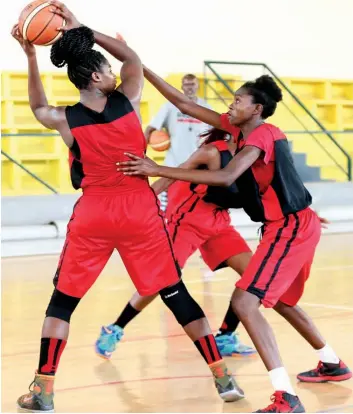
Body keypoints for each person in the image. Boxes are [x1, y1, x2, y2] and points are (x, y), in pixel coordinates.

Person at [11, 2, 243, 411]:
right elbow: (132, 58)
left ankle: (43, 390)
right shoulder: (127, 101)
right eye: (109, 72)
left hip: (95, 213)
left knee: (62, 302)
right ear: (99, 76)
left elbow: (37, 107)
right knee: (174, 293)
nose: (117, 74)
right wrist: (82, 28)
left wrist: (30, 55)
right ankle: (222, 377)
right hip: (139, 208)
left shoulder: (65, 119)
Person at [117, 71, 352, 412]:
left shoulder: (264, 135)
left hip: (289, 229)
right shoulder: (237, 131)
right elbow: (183, 103)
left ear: (257, 108)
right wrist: (139, 68)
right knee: (281, 301)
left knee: (245, 303)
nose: (231, 104)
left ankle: (285, 397)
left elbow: (227, 176)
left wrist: (159, 169)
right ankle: (331, 363)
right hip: (286, 227)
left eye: (238, 100)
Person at [95, 128, 256, 359]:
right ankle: (115, 327)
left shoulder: (250, 155)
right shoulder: (211, 152)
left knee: (255, 276)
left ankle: (225, 337)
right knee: (163, 278)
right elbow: (172, 175)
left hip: (218, 223)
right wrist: (137, 204)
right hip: (186, 221)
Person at [145, 73, 212, 211]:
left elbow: (214, 134)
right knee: (164, 207)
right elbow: (151, 128)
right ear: (182, 86)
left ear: (197, 86)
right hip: (173, 165)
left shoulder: (206, 107)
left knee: (189, 207)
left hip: (196, 166)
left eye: (192, 84)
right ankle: (162, 230)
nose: (189, 88)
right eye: (186, 85)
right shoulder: (170, 106)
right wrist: (141, 150)